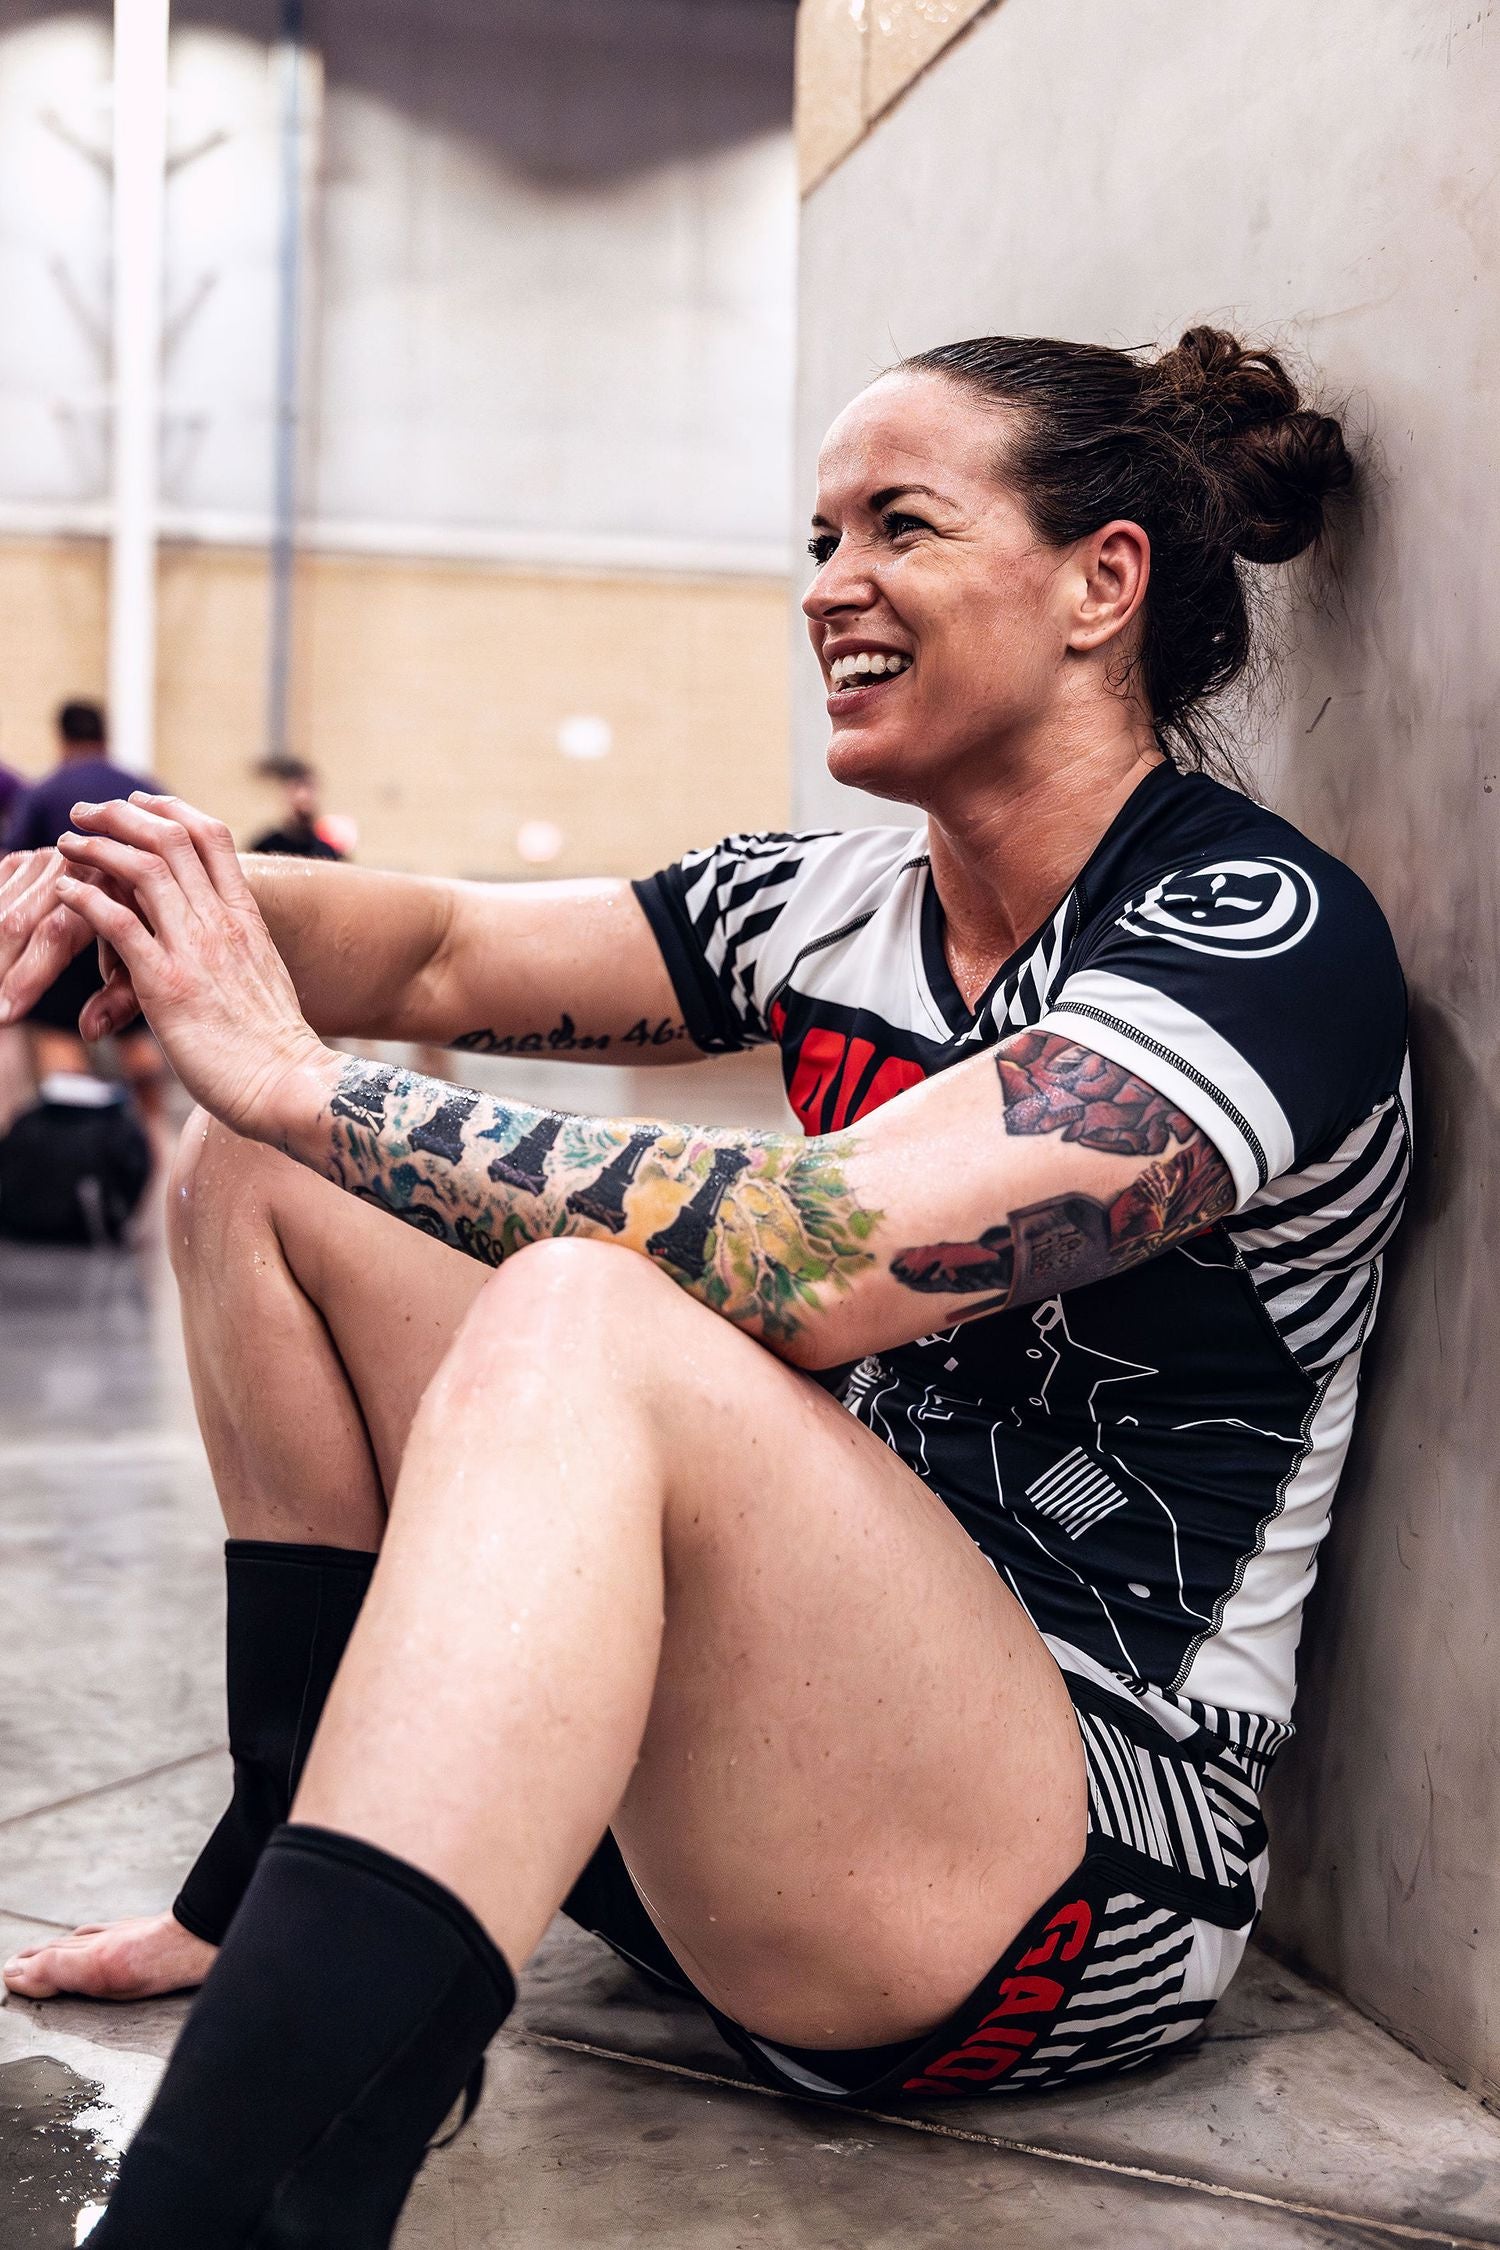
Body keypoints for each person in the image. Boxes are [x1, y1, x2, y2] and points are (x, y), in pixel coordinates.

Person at [0, 327, 1406, 2245]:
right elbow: (421, 952)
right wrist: (140, 888)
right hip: (749, 1787)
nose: (831, 585)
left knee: (583, 1304)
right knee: (262, 1175)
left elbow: (807, 1263)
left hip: (1048, 1884)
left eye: (900, 526)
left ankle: (237, 2210)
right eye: (819, 535)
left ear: (1105, 583)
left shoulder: (1253, 939)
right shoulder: (826, 901)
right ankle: (279, 1879)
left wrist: (303, 1073)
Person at [0, 701, 168, 1148]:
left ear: (62, 738)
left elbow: (14, 866)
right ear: (105, 736)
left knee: (63, 1053)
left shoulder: (44, 792)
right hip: (129, 936)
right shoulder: (140, 788)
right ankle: (151, 1145)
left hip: (64, 937)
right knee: (136, 1045)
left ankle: (77, 1163)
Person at [249, 755, 346, 861]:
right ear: (285, 796)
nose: (303, 796)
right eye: (296, 788)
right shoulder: (265, 848)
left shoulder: (327, 851)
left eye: (309, 788)